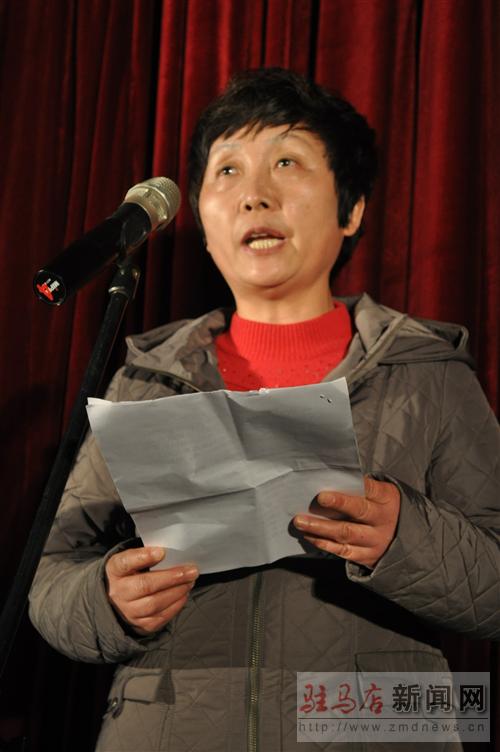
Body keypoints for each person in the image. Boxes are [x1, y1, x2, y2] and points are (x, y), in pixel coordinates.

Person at [29, 68, 500, 752]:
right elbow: (50, 575)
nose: (255, 194)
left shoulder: (427, 372)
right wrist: (108, 599)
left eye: (287, 162)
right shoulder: (147, 380)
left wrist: (406, 537)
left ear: (351, 210)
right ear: (203, 222)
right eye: (227, 170)